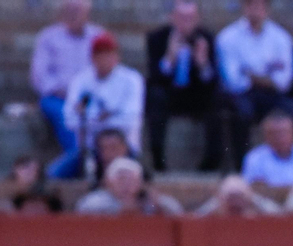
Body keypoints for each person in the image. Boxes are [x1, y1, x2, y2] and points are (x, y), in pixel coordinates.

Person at [145, 0, 222, 172]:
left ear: (197, 19)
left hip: (196, 95)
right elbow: (154, 78)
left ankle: (211, 162)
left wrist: (202, 64)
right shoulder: (157, 38)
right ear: (172, 18)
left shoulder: (207, 38)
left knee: (219, 100)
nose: (186, 22)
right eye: (182, 17)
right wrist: (169, 59)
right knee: (155, 97)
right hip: (169, 94)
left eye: (190, 18)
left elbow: (212, 81)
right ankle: (158, 159)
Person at [217, 0, 293, 163]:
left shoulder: (281, 38)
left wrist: (250, 73)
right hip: (242, 94)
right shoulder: (227, 37)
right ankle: (241, 164)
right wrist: (267, 74)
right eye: (252, 5)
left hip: (272, 94)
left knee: (291, 109)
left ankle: (286, 163)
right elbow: (233, 81)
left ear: (267, 9)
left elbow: (284, 81)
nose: (256, 10)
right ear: (244, 7)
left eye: (260, 6)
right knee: (241, 111)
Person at [57, 32, 144, 179]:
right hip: (89, 149)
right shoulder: (81, 80)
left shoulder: (131, 79)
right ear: (92, 57)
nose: (104, 59)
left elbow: (129, 120)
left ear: (117, 56)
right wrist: (102, 117)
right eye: (99, 55)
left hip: (124, 150)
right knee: (53, 174)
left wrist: (92, 120)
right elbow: (69, 120)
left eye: (108, 54)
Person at [30, 0, 101, 165]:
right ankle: (78, 158)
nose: (74, 13)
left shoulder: (98, 36)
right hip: (58, 97)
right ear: (61, 12)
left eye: (78, 9)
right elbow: (39, 76)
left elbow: (105, 70)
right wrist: (65, 90)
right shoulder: (48, 37)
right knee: (67, 116)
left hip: (90, 96)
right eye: (69, 9)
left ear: (87, 12)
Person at [240, 108, 293, 186]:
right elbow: (254, 189)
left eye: (284, 132)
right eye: (274, 133)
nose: (280, 137)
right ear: (265, 136)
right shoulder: (254, 158)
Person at [74, 155, 185, 214]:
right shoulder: (96, 201)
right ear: (108, 183)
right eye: (121, 179)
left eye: (131, 179)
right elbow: (83, 210)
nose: (126, 184)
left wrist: (158, 205)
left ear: (140, 183)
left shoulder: (149, 200)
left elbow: (176, 211)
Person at [194, 172, 281, 215]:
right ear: (222, 199)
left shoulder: (253, 210)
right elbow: (197, 217)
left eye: (239, 196)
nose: (235, 202)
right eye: (231, 197)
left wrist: (254, 199)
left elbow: (279, 214)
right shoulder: (218, 211)